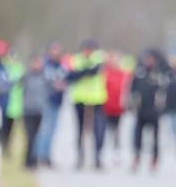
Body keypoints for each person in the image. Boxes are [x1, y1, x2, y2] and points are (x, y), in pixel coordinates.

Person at [68, 40, 108, 170]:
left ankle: (97, 157)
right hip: (80, 99)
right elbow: (72, 75)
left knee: (98, 130)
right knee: (80, 130)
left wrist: (83, 72)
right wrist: (86, 71)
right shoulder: (76, 59)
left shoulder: (99, 58)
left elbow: (94, 71)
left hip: (96, 99)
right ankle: (80, 156)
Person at [128, 49, 169, 172]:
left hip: (154, 110)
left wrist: (161, 108)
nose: (149, 61)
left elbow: (164, 92)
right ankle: (137, 157)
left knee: (155, 137)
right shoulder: (140, 73)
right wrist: (132, 105)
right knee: (137, 136)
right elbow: (132, 90)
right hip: (141, 109)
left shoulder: (160, 75)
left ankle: (154, 158)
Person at [34, 43, 68, 168]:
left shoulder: (62, 66)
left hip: (57, 102)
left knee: (52, 131)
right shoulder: (45, 65)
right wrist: (54, 85)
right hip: (46, 101)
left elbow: (67, 78)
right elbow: (42, 81)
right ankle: (40, 156)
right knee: (45, 130)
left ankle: (47, 156)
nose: (56, 54)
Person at [19, 54, 51, 169]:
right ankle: (28, 161)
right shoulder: (26, 76)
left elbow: (50, 90)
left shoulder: (45, 77)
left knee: (37, 137)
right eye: (35, 63)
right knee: (30, 136)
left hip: (39, 111)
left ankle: (34, 160)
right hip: (28, 111)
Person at [103, 52, 131, 159]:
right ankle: (105, 151)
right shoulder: (105, 72)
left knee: (117, 130)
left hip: (118, 107)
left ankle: (116, 151)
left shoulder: (124, 74)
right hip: (106, 106)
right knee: (105, 129)